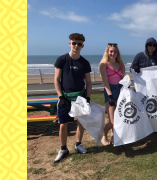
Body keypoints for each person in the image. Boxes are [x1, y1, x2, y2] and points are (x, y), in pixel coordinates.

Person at [53, 33, 92, 163]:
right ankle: (63, 149)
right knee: (63, 124)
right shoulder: (61, 60)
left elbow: (89, 82)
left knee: (80, 122)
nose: (76, 46)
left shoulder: (85, 63)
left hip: (80, 97)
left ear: (82, 46)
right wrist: (61, 96)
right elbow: (56, 79)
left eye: (79, 44)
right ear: (70, 43)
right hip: (65, 97)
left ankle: (78, 144)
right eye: (74, 43)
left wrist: (87, 97)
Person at [99, 43, 125, 145]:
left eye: (115, 51)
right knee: (113, 120)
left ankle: (114, 136)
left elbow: (123, 80)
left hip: (120, 89)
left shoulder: (121, 64)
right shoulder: (103, 65)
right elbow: (105, 82)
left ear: (117, 52)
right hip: (109, 90)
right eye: (111, 51)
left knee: (119, 117)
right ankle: (104, 134)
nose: (113, 53)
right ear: (107, 52)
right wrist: (110, 95)